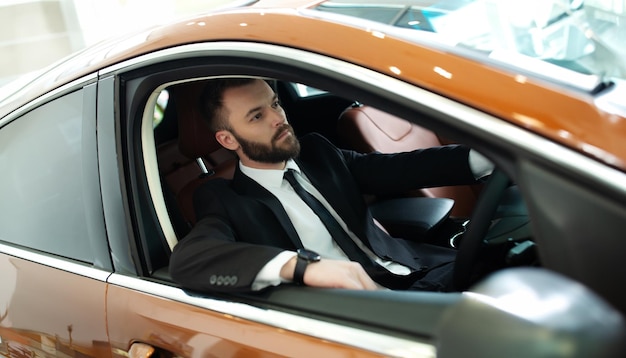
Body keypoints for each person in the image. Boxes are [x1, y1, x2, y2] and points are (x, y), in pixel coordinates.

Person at [169, 78, 492, 293]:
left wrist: (493, 157)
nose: (278, 118)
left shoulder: (318, 153)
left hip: (418, 270)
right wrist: (300, 268)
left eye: (275, 103)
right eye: (256, 116)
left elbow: (403, 167)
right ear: (227, 139)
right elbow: (188, 261)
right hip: (363, 308)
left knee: (520, 258)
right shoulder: (225, 198)